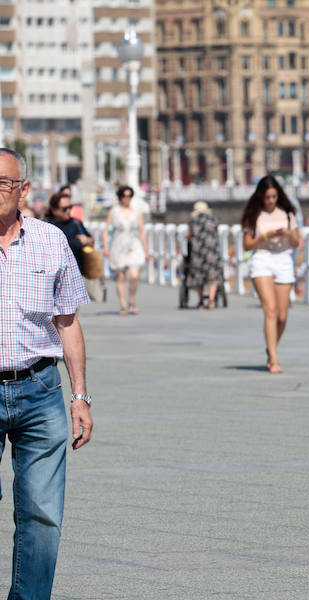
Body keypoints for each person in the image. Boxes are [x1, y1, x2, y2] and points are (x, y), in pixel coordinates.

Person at [0, 148, 93, 599]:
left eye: (4, 182)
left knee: (42, 514)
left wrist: (80, 397)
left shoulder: (51, 240)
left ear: (23, 189)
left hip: (40, 389)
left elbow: (68, 321)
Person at [241, 175, 300, 374]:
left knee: (282, 316)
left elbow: (296, 242)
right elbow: (247, 245)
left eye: (274, 196)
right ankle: (273, 359)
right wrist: (265, 236)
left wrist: (287, 233)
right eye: (267, 197)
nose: (271, 201)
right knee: (271, 310)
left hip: (284, 258)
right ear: (261, 196)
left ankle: (271, 347)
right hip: (262, 258)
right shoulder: (253, 215)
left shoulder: (287, 214)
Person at [102, 185, 149, 316]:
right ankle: (123, 304)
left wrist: (146, 251)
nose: (127, 198)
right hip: (118, 245)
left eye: (129, 196)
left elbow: (142, 232)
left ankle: (131, 301)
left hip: (134, 245)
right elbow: (106, 231)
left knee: (134, 276)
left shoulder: (137, 211)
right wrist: (106, 247)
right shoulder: (114, 211)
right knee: (121, 276)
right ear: (120, 197)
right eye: (124, 196)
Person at [186, 201, 223, 309]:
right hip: (212, 251)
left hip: (198, 252)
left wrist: (187, 238)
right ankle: (211, 301)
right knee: (213, 277)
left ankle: (201, 301)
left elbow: (190, 234)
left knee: (199, 277)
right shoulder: (214, 218)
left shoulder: (194, 220)